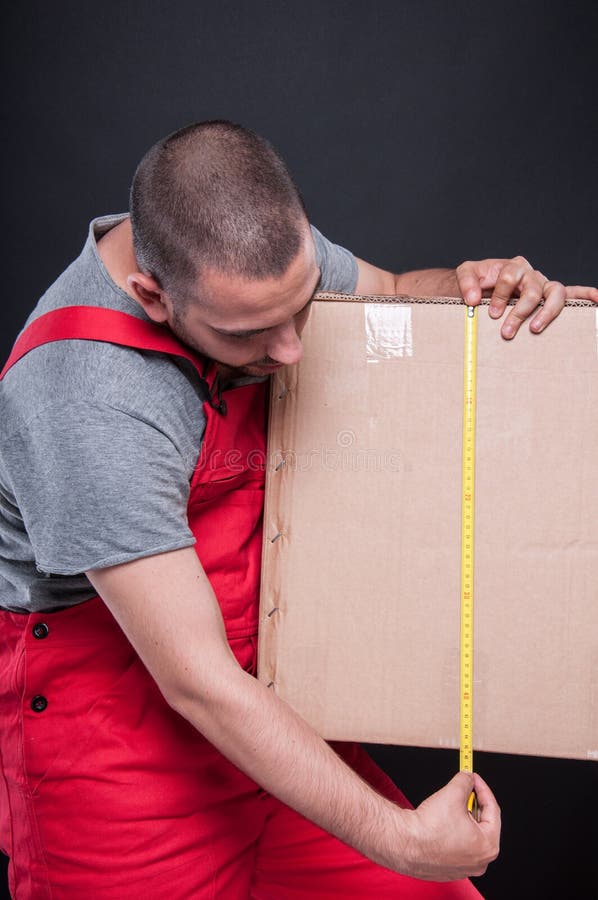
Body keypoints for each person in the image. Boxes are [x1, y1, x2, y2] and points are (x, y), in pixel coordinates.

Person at [0, 120, 596, 900]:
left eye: (305, 304)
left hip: (276, 719)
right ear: (153, 295)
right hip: (120, 761)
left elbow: (390, 294)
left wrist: (474, 292)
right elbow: (196, 680)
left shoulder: (256, 259)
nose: (291, 350)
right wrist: (402, 838)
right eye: (250, 333)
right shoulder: (87, 398)